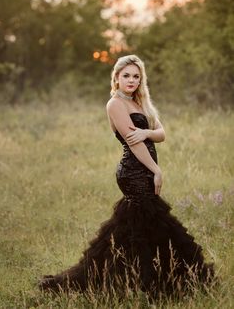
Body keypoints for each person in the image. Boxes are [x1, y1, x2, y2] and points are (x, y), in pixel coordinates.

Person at [38, 54, 214, 299]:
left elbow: (161, 133)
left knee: (141, 222)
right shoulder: (115, 104)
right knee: (143, 220)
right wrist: (156, 169)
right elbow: (134, 144)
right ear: (117, 78)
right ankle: (137, 281)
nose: (131, 80)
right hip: (133, 171)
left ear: (141, 80)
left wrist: (146, 132)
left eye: (136, 76)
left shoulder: (142, 103)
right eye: (126, 76)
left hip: (144, 167)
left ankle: (161, 275)